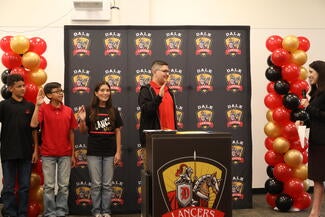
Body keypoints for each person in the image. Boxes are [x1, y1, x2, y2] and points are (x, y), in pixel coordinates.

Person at [30, 82, 77, 217]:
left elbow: (72, 133)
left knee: (63, 186)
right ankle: (50, 213)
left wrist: (73, 154)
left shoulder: (68, 110)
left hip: (65, 154)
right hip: (48, 154)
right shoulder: (43, 109)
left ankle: (61, 212)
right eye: (57, 91)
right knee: (49, 186)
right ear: (49, 95)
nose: (61, 93)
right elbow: (33, 124)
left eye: (61, 90)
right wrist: (38, 105)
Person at [78, 81, 123, 217]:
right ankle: (97, 211)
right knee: (96, 184)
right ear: (96, 93)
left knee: (107, 185)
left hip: (110, 152)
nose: (105, 93)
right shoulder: (88, 109)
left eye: (107, 90)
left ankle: (106, 211)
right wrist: (81, 120)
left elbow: (118, 132)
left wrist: (118, 152)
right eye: (102, 90)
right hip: (94, 152)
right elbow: (82, 131)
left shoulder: (113, 110)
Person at [0, 74, 39, 217]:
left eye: (24, 86)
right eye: (19, 86)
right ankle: (10, 213)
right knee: (9, 188)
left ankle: (22, 213)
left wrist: (35, 150)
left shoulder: (30, 106)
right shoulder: (3, 106)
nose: (23, 89)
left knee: (24, 187)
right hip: (8, 152)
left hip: (26, 152)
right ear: (10, 88)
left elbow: (34, 130)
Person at [138, 60, 177, 169]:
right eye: (164, 71)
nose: (167, 74)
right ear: (154, 72)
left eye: (168, 71)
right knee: (152, 176)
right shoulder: (146, 90)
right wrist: (158, 98)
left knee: (169, 176)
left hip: (171, 142)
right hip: (153, 143)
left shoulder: (170, 92)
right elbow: (146, 111)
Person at [300, 60, 325, 217]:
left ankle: (315, 212)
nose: (308, 76)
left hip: (324, 142)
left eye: (311, 72)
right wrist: (304, 120)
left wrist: (309, 107)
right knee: (317, 179)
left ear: (320, 74)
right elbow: (316, 118)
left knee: (318, 178)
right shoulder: (315, 93)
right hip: (316, 141)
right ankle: (314, 212)